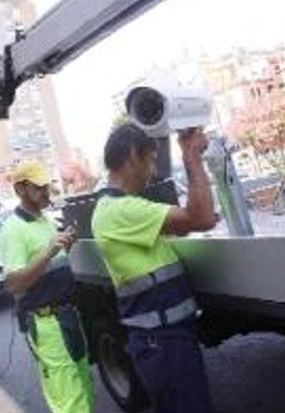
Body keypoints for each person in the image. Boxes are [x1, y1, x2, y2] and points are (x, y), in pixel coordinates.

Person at [91, 123, 217, 413]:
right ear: (134, 155)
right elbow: (203, 219)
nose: (153, 172)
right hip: (163, 343)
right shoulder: (121, 210)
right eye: (150, 160)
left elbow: (182, 226)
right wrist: (192, 157)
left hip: (162, 341)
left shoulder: (115, 208)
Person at [0, 161, 94, 413]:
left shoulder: (45, 221)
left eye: (46, 185)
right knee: (69, 401)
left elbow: (51, 267)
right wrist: (49, 252)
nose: (46, 192)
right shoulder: (12, 230)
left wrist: (65, 248)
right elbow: (13, 283)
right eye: (38, 187)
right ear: (20, 189)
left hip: (70, 316)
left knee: (84, 388)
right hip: (48, 324)